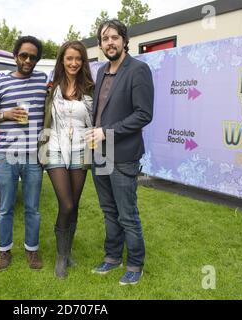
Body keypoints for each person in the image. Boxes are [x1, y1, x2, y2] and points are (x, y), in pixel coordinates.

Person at [86, 19, 154, 285]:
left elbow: (143, 114)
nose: (110, 42)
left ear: (124, 40)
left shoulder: (138, 70)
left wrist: (106, 131)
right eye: (105, 39)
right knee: (108, 210)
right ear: (101, 44)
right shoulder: (101, 70)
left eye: (115, 37)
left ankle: (135, 264)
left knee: (127, 214)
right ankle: (112, 257)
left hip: (123, 154)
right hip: (99, 153)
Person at [0, 36, 47, 271]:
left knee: (33, 208)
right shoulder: (1, 83)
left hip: (32, 156)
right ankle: (4, 251)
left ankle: (32, 250)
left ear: (37, 59)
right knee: (6, 208)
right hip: (7, 156)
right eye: (23, 55)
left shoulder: (43, 80)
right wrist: (6, 115)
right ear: (15, 56)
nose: (28, 60)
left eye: (32, 56)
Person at [38, 41, 94, 278]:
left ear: (83, 62)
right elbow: (37, 113)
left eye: (78, 59)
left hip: (82, 148)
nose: (73, 63)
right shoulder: (51, 87)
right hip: (54, 147)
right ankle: (61, 258)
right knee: (66, 204)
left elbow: (97, 117)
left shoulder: (90, 87)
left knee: (75, 204)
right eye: (69, 58)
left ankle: (67, 251)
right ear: (62, 60)